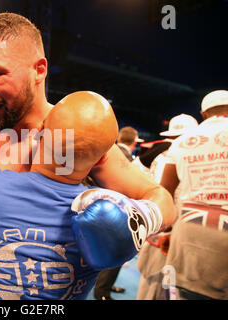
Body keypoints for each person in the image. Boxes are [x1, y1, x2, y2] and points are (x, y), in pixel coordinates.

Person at [0, 11, 176, 299]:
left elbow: (160, 198)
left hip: (30, 283)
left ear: (39, 70)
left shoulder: (73, 135)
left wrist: (139, 219)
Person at [0, 91, 174, 300]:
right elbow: (164, 204)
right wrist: (140, 219)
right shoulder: (105, 220)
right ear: (103, 157)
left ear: (41, 129)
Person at [160, 90, 228, 300]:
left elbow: (165, 190)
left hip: (188, 230)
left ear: (203, 114)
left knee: (181, 293)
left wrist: (167, 231)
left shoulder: (183, 141)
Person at [136, 113, 198, 300]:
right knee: (159, 285)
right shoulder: (175, 155)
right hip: (167, 229)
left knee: (156, 284)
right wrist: (167, 230)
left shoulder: (159, 154)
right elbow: (169, 194)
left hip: (156, 224)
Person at [93, 125, 143, 300]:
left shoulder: (109, 152)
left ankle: (103, 288)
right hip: (116, 211)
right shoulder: (126, 158)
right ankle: (102, 292)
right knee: (115, 252)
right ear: (134, 141)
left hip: (102, 207)